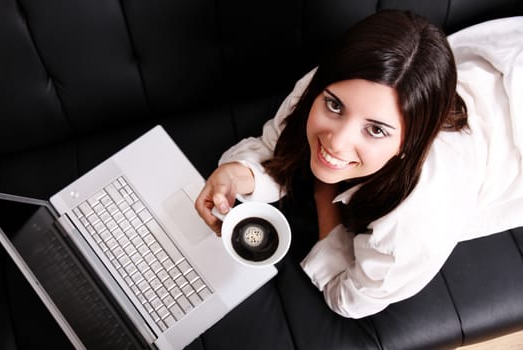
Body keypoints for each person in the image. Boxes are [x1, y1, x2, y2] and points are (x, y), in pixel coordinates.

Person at [195, 10, 523, 318]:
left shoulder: (414, 226)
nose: (336, 142)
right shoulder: (334, 87)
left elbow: (349, 300)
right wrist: (235, 175)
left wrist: (324, 192)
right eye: (335, 106)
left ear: (409, 144)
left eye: (376, 129)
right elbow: (276, 146)